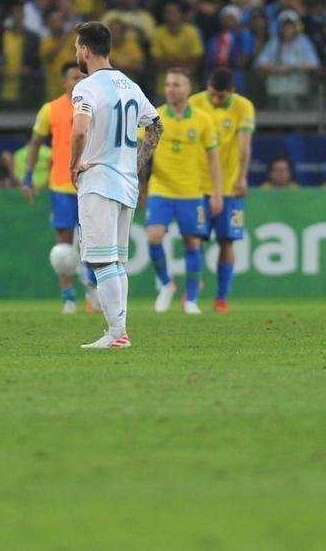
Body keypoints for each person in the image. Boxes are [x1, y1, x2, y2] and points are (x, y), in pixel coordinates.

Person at [69, 20, 161, 349]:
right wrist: (134, 164)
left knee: (101, 260)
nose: (76, 54)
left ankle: (117, 333)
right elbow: (156, 126)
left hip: (99, 181)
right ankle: (119, 331)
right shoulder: (130, 85)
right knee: (115, 260)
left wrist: (73, 164)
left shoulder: (86, 88)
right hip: (126, 184)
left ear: (85, 50)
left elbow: (80, 130)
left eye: (76, 48)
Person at [22, 61, 100, 314]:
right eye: (74, 77)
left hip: (91, 184)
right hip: (62, 187)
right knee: (63, 247)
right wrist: (28, 176)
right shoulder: (50, 109)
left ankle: (92, 293)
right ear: (64, 82)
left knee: (92, 244)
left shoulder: (96, 106)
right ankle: (68, 296)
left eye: (82, 77)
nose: (79, 81)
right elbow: (35, 143)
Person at [146, 69, 223, 315]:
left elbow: (213, 158)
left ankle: (191, 299)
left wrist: (217, 193)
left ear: (189, 89)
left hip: (191, 192)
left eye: (177, 84)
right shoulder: (155, 116)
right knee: (154, 237)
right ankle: (166, 284)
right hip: (161, 189)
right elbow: (142, 151)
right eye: (168, 84)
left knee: (193, 242)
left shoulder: (202, 119)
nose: (170, 89)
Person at [189, 67, 255, 313]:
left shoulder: (243, 107)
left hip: (229, 186)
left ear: (232, 92)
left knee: (227, 241)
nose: (216, 99)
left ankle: (221, 298)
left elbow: (245, 145)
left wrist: (242, 177)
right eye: (213, 94)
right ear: (207, 87)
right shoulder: (194, 103)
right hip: (197, 186)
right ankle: (193, 289)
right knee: (193, 239)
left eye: (222, 96)